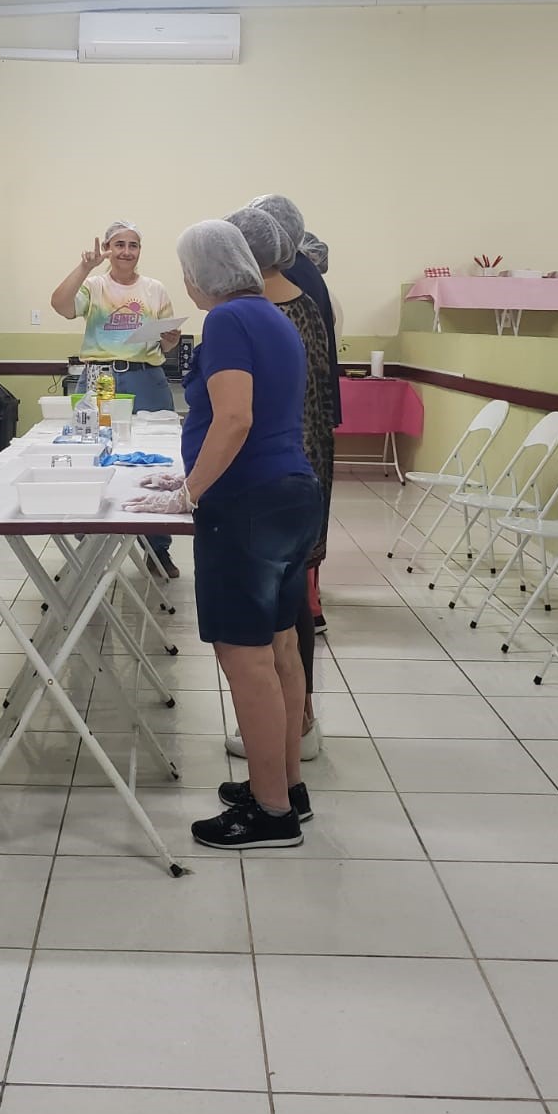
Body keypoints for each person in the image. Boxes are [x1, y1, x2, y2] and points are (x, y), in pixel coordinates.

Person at [126, 220, 321, 850]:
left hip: (247, 507)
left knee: (245, 659)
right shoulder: (274, 316)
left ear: (199, 276)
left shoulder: (228, 322)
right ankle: (286, 785)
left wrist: (190, 493)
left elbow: (234, 419)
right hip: (290, 496)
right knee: (282, 648)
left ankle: (270, 814)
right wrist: (186, 478)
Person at [226, 205, 333, 763]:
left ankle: (290, 729)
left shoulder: (267, 309)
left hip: (281, 476)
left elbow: (246, 413)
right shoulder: (300, 295)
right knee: (290, 605)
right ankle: (296, 725)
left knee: (283, 613)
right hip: (300, 470)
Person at [51, 220, 182, 578]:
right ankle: (88, 541)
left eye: (133, 245)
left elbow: (167, 343)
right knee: (92, 453)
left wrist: (170, 337)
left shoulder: (155, 289)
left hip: (146, 378)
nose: (126, 251)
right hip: (100, 378)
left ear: (140, 251)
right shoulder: (93, 285)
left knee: (158, 461)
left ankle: (158, 549)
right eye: (119, 244)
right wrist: (85, 266)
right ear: (107, 248)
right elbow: (61, 306)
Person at [249, 192, 341, 632]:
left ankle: (303, 604)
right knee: (308, 508)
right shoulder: (306, 273)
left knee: (294, 518)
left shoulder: (284, 280)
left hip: (293, 421)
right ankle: (306, 601)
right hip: (312, 415)